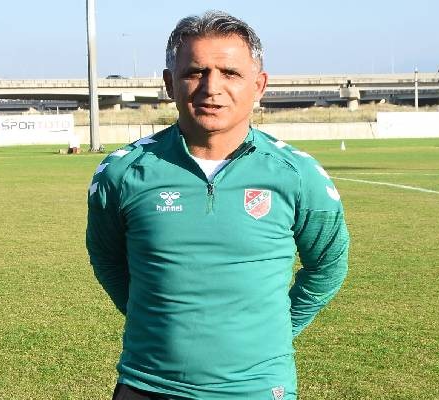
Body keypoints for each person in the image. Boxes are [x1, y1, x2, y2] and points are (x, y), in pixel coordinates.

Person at [86, 10, 349, 400]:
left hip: (256, 389)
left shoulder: (299, 174)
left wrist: (274, 330)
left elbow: (328, 265)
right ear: (169, 83)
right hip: (148, 385)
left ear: (258, 85)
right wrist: (157, 320)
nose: (212, 87)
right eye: (195, 72)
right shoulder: (122, 171)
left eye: (230, 73)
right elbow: (107, 259)